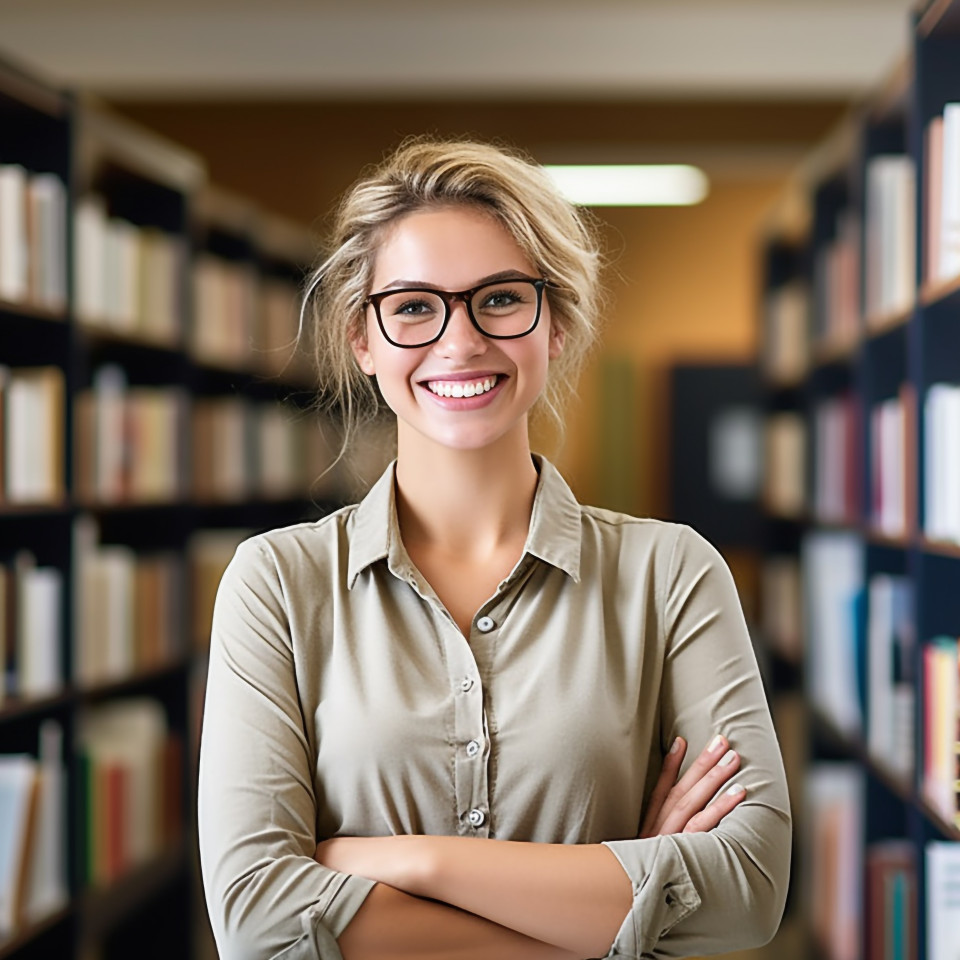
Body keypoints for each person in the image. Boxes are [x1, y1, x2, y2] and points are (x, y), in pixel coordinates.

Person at [197, 139, 792, 960]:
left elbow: (747, 891)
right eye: (412, 306)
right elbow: (257, 917)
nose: (460, 341)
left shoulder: (672, 575)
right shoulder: (276, 584)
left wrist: (404, 861)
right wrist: (615, 908)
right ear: (362, 340)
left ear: (557, 324)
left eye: (501, 299)